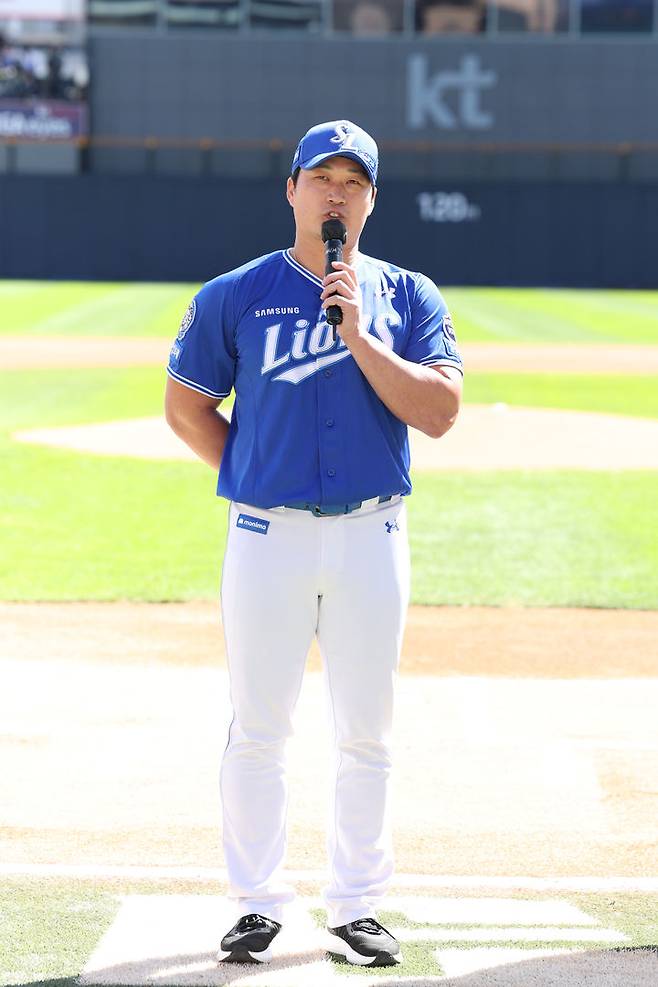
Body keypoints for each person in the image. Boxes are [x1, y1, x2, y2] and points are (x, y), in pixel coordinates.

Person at [164, 119, 463, 967]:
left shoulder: (407, 296)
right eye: (321, 178)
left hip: (372, 533)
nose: (336, 194)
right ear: (291, 189)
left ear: (371, 199)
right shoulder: (235, 294)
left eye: (353, 181)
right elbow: (186, 408)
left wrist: (359, 335)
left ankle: (358, 904)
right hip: (268, 535)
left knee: (367, 729)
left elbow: (440, 413)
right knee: (260, 725)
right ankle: (258, 903)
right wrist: (260, 471)